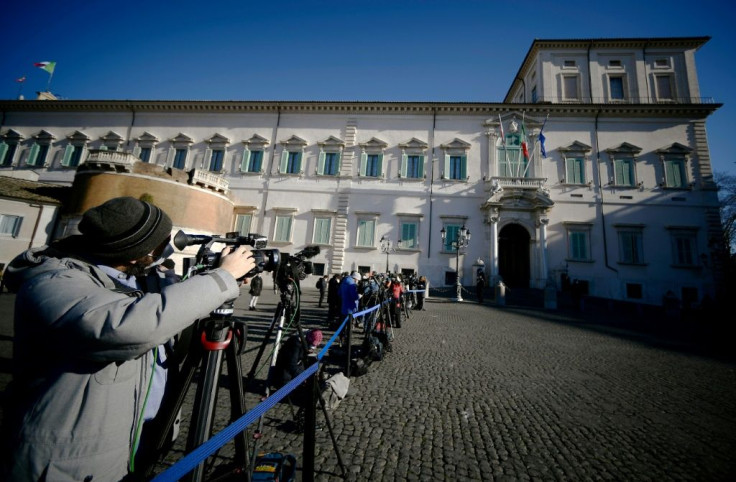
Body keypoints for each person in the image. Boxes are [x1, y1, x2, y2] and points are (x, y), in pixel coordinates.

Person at [0, 196, 256, 482]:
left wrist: (216, 285)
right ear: (135, 253)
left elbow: (168, 322)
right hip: (70, 461)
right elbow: (126, 327)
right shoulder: (52, 281)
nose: (168, 246)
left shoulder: (137, 277)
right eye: (161, 242)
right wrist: (222, 278)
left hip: (138, 439)